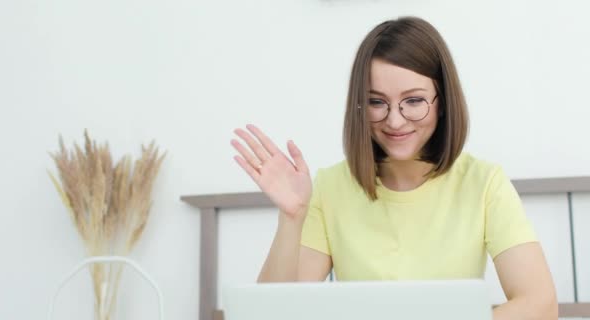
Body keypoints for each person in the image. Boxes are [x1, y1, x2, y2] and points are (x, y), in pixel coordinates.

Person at [230, 16, 557, 319]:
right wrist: (292, 218)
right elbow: (271, 314)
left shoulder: (484, 183)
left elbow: (540, 303)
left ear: (441, 101)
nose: (395, 120)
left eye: (413, 101)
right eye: (376, 102)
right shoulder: (331, 187)